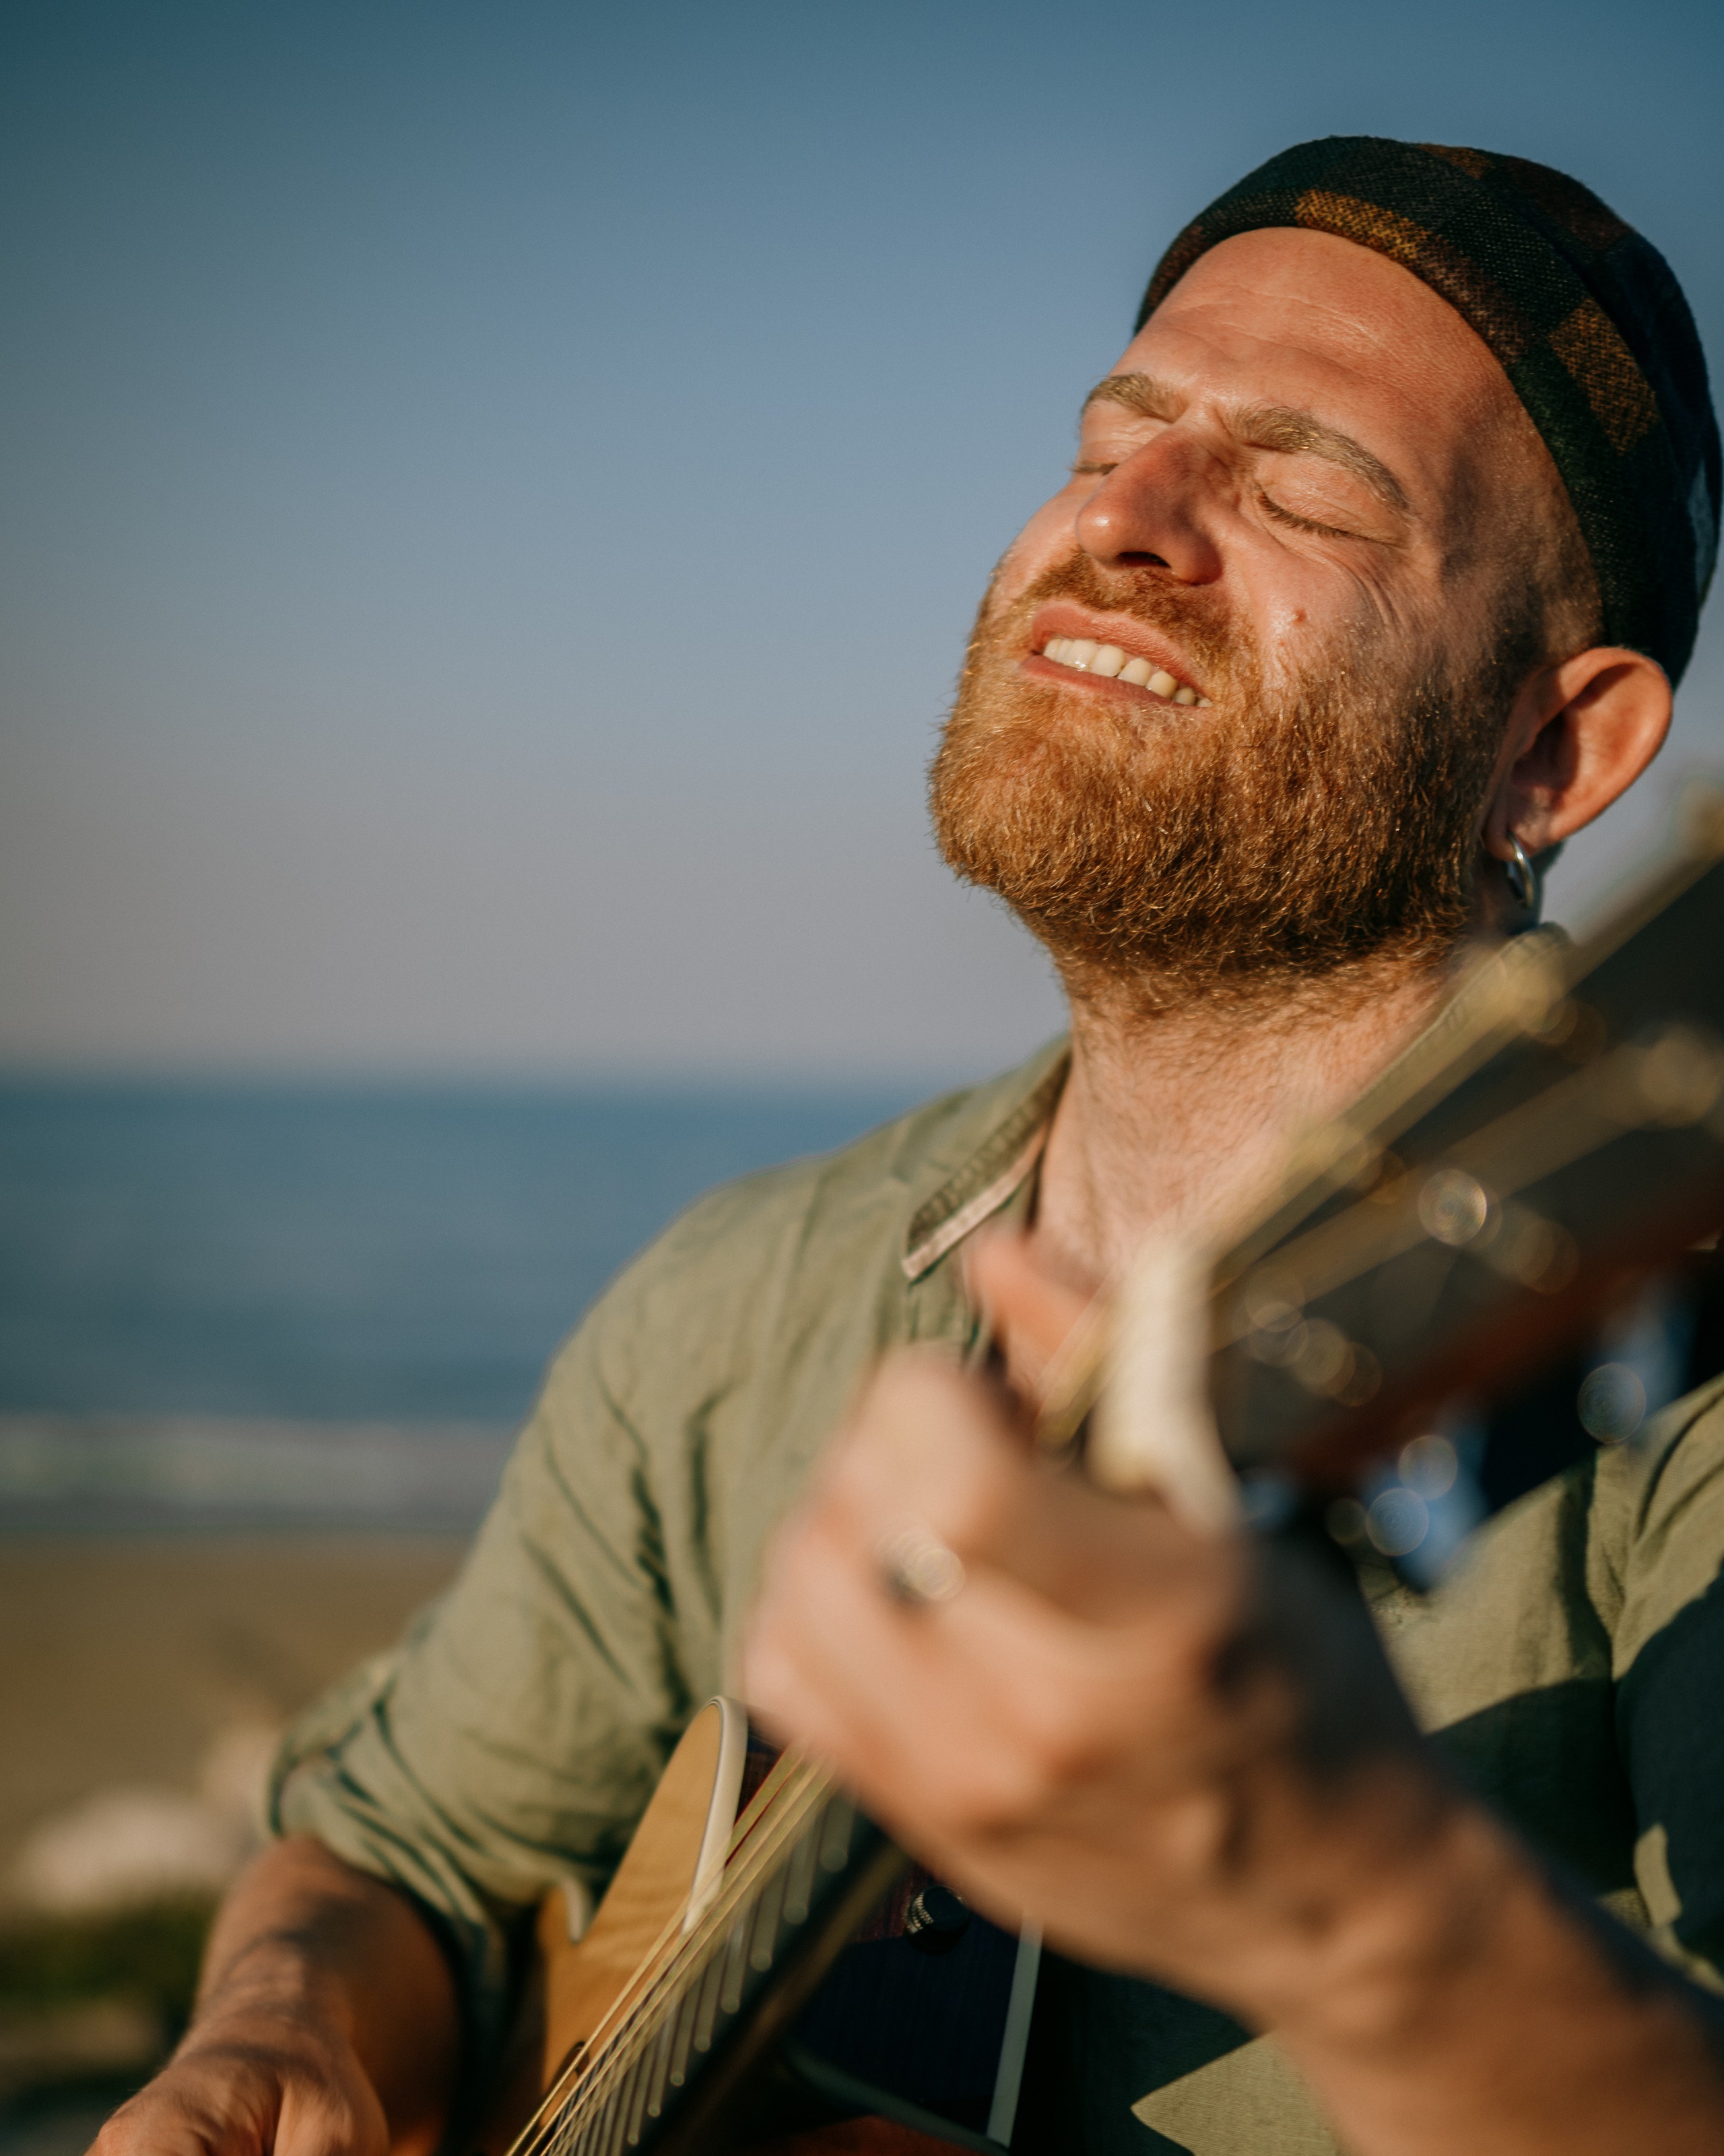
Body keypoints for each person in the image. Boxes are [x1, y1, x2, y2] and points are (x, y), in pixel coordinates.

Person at [100, 137, 1724, 2156]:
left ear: (1555, 749)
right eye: (1112, 433)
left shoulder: (1687, 1408)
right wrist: (279, 2027)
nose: (1126, 516)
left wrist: (1363, 1916)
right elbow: (399, 1846)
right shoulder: (741, 1303)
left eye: (1304, 478)